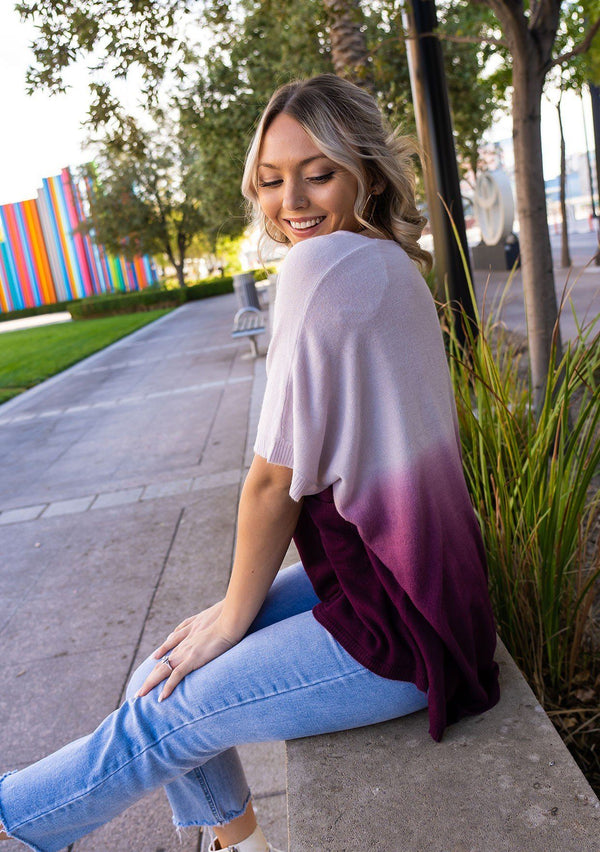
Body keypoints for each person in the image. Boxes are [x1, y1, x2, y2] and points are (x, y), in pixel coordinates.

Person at [0, 74, 499, 852]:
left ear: (364, 168)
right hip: (417, 583)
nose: (290, 201)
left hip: (400, 629)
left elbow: (273, 480)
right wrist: (228, 612)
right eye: (270, 181)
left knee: (163, 710)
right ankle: (240, 848)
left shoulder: (321, 268)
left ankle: (18, 819)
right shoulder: (389, 259)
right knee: (158, 673)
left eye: (318, 172)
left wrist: (236, 611)